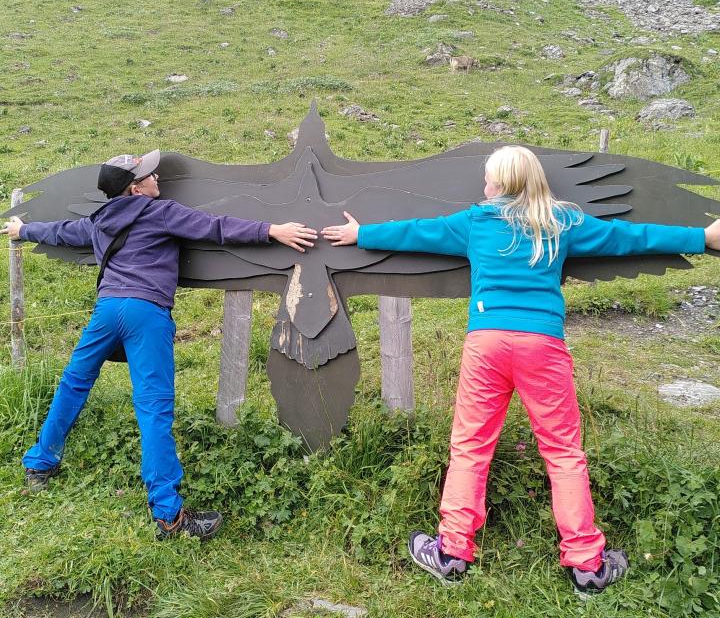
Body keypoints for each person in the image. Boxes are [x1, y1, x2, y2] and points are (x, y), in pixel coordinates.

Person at [322, 145, 720, 595]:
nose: (484, 186)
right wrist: (702, 238)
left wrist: (364, 235)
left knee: (470, 446)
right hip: (542, 345)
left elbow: (418, 232)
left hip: (487, 343)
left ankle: (452, 552)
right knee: (563, 451)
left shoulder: (476, 222)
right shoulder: (562, 223)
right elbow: (630, 238)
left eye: (489, 179)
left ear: (502, 184)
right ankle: (587, 564)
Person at [1, 150, 317, 540]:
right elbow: (215, 227)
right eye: (150, 176)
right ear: (136, 189)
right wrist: (272, 230)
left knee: (73, 383)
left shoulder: (98, 221)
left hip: (107, 310)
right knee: (153, 409)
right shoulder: (160, 212)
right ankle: (168, 515)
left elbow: (63, 231)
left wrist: (21, 230)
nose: (158, 180)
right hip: (146, 314)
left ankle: (40, 463)